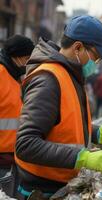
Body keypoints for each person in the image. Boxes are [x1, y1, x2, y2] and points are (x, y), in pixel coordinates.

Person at [15, 15, 102, 198]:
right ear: (78, 47)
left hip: (61, 185)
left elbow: (65, 122)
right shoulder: (48, 79)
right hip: (41, 190)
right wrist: (83, 157)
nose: (96, 64)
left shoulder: (70, 74)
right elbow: (26, 144)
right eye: (95, 57)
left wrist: (98, 133)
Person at [0, 35, 34, 197]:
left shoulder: (14, 76)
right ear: (17, 56)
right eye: (27, 58)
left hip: (13, 158)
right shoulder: (1, 74)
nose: (28, 63)